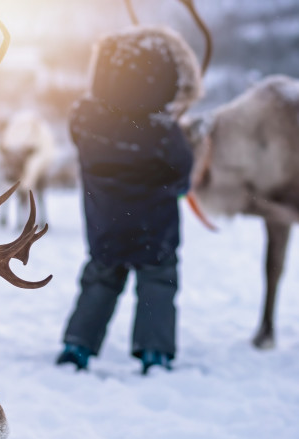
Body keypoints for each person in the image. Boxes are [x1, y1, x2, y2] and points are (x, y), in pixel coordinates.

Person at [56, 27, 201, 375]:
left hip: (105, 224)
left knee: (100, 279)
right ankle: (154, 352)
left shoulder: (85, 119)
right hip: (156, 228)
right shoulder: (164, 131)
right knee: (158, 282)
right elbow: (182, 173)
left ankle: (77, 345)